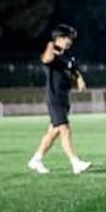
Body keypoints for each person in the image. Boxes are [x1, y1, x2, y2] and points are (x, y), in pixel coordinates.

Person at [27, 24, 92, 175]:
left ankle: (36, 159)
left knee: (53, 132)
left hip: (65, 98)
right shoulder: (52, 52)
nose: (71, 41)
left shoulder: (69, 56)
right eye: (68, 38)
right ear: (59, 38)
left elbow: (74, 70)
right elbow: (46, 59)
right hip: (54, 97)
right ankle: (76, 163)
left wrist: (80, 79)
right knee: (65, 130)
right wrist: (51, 45)